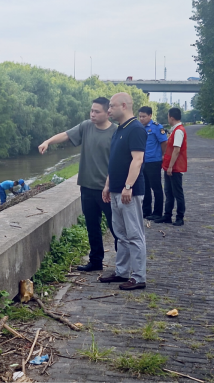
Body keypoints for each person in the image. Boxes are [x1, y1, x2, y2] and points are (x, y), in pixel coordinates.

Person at [38, 97, 118, 272]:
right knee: (92, 226)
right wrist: (48, 142)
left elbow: (119, 162)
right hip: (87, 187)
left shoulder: (116, 132)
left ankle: (124, 264)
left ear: (107, 113)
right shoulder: (86, 126)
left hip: (106, 189)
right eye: (91, 111)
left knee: (116, 227)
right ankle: (95, 261)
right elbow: (66, 135)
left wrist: (110, 185)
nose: (93, 114)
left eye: (97, 111)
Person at [100, 92, 147, 291]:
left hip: (130, 191)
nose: (108, 110)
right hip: (117, 190)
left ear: (124, 106)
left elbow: (137, 160)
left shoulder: (135, 129)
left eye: (111, 106)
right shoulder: (120, 129)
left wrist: (128, 186)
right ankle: (121, 272)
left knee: (134, 234)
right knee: (120, 234)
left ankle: (138, 277)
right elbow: (115, 161)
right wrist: (108, 185)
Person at [154, 107, 187, 226]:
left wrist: (171, 166)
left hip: (175, 167)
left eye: (168, 116)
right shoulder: (175, 130)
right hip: (170, 166)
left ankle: (179, 217)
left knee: (177, 193)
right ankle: (167, 215)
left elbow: (177, 150)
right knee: (168, 192)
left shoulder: (178, 131)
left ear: (171, 117)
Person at [138, 106, 168, 221]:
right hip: (142, 161)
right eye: (140, 116)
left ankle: (157, 212)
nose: (141, 119)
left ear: (150, 116)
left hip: (154, 161)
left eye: (144, 116)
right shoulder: (140, 127)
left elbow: (164, 142)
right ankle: (146, 211)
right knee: (144, 187)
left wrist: (162, 155)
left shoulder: (156, 127)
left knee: (156, 187)